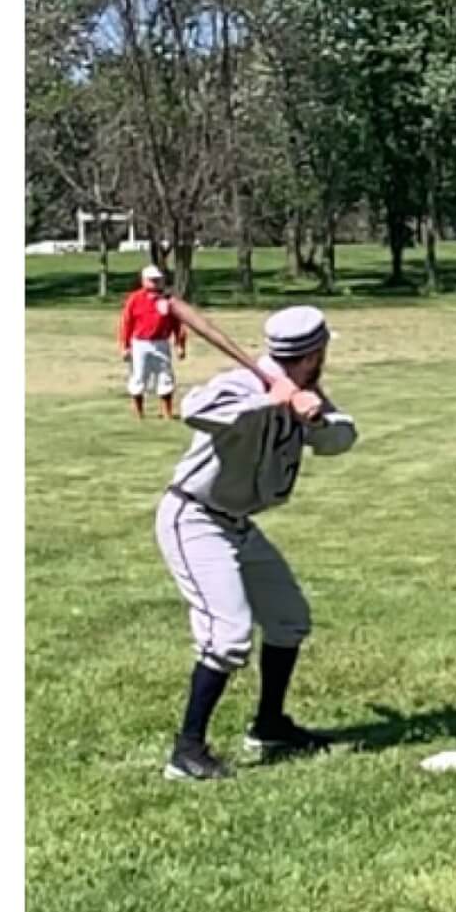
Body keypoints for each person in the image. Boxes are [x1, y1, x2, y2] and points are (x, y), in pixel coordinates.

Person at [155, 306, 358, 781]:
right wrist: (270, 400)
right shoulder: (243, 384)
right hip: (195, 517)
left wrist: (317, 414)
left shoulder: (306, 393)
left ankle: (269, 726)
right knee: (227, 635)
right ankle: (186, 752)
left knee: (289, 619)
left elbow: (341, 440)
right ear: (313, 354)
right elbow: (194, 410)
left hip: (239, 523)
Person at [117, 263, 186, 419]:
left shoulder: (167, 299)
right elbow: (126, 323)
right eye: (152, 280)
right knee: (138, 376)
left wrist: (180, 345)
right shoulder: (135, 299)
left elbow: (177, 324)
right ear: (144, 281)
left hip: (161, 342)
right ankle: (139, 412)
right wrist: (125, 346)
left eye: (157, 280)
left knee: (165, 375)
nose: (155, 283)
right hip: (140, 343)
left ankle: (167, 412)